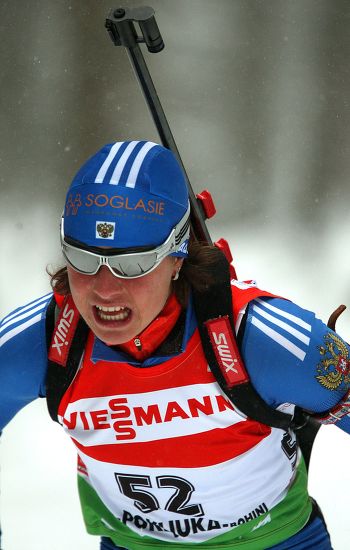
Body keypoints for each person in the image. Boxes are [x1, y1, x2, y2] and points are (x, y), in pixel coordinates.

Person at [1, 139, 349, 550]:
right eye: (83, 258)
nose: (105, 289)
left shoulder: (261, 339)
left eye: (133, 264)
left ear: (178, 254)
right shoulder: (46, 338)